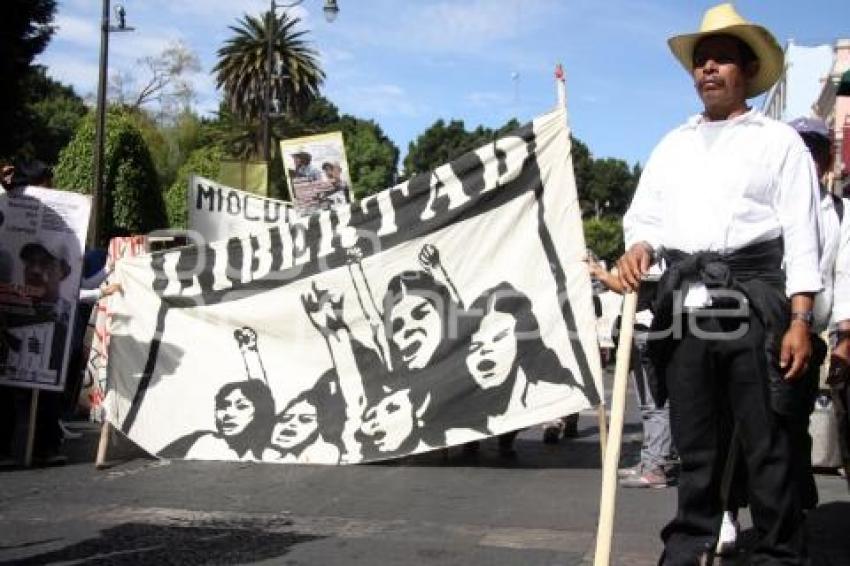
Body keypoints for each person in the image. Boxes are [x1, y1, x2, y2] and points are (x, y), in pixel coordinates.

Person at [617, 3, 821, 563]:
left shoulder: (778, 142)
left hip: (756, 304)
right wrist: (639, 247)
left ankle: (778, 552)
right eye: (702, 61)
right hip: (686, 307)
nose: (708, 69)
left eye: (722, 60)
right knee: (696, 444)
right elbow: (645, 218)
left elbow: (804, 236)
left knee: (767, 445)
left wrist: (800, 320)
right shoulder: (672, 145)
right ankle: (688, 547)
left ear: (747, 72)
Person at [716, 117, 850, 554]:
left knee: (788, 432)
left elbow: (842, 275)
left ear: (827, 159)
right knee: (737, 428)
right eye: (800, 148)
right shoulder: (764, 206)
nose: (807, 159)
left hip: (803, 335)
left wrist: (843, 336)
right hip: (753, 329)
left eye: (815, 151)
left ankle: (787, 521)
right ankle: (728, 511)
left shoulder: (840, 212)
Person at [585, 256, 676, 489]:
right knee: (649, 404)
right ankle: (651, 461)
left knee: (655, 403)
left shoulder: (654, 257)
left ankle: (656, 465)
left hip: (648, 332)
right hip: (641, 332)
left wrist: (602, 274)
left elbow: (633, 289)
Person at [159, 379, 275, 461]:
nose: (228, 414)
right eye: (223, 406)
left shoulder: (270, 455)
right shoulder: (199, 440)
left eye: (242, 406)